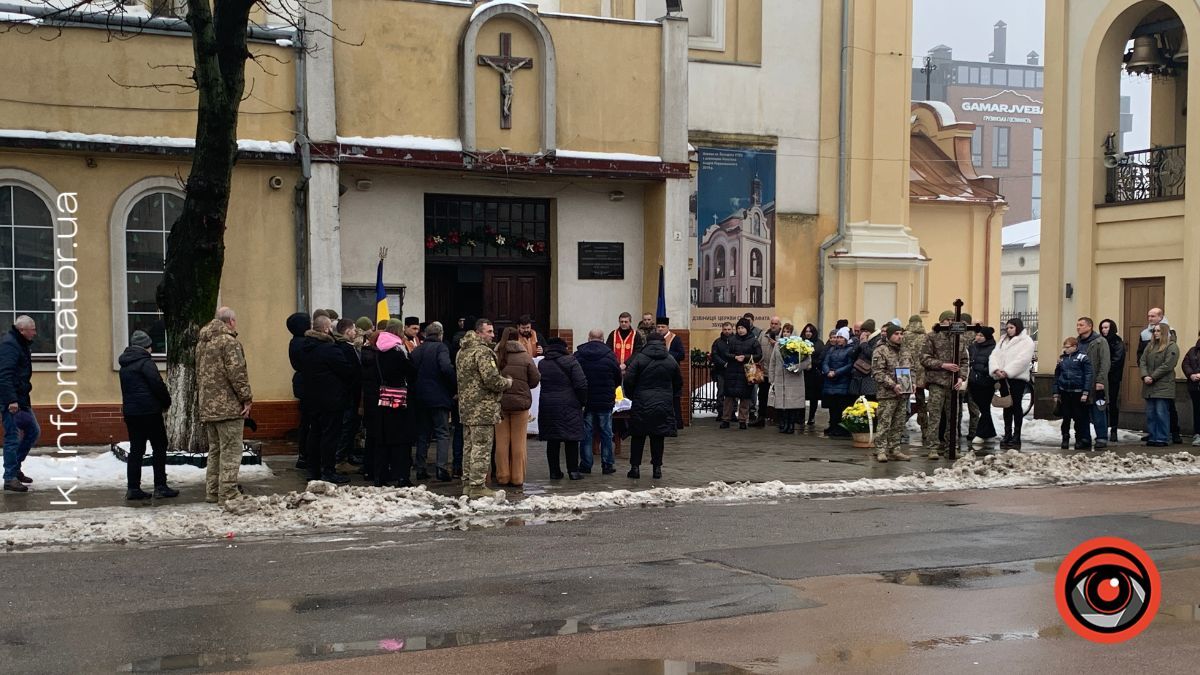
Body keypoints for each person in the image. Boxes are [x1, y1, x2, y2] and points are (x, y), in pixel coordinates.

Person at [196, 307, 252, 505]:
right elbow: (237, 373)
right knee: (230, 451)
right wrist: (246, 398)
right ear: (231, 322)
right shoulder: (229, 342)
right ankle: (228, 493)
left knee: (215, 451)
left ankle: (212, 491)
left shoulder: (203, 343)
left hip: (208, 406)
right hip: (228, 407)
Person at [118, 330, 177, 500]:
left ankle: (133, 487)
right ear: (146, 346)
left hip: (131, 412)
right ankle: (160, 485)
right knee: (159, 446)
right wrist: (166, 402)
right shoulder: (145, 363)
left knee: (136, 449)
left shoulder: (125, 364)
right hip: (150, 412)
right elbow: (157, 384)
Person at [457, 319, 512, 498]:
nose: (493, 335)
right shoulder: (482, 353)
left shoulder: (462, 351)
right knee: (481, 447)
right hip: (483, 409)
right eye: (489, 332)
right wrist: (507, 382)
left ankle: (467, 483)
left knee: (469, 447)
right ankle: (477, 486)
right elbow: (492, 380)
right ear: (479, 332)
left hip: (466, 407)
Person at [299, 314, 356, 484]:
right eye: (330, 327)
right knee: (330, 436)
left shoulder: (304, 348)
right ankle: (328, 471)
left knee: (314, 434)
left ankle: (313, 470)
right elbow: (347, 371)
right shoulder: (330, 349)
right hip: (331, 400)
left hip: (311, 400)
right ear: (325, 329)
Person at [623, 332, 681, 479]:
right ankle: (657, 469)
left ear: (647, 343)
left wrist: (633, 396)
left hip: (641, 402)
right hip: (663, 403)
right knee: (658, 437)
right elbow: (678, 382)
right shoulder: (670, 359)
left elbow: (629, 380)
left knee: (638, 437)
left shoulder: (639, 358)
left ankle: (635, 468)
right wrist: (668, 395)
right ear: (663, 343)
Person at [372, 320, 417, 487]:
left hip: (383, 397)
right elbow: (411, 371)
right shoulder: (399, 350)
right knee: (401, 438)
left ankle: (380, 475)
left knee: (383, 438)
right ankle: (402, 476)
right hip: (400, 398)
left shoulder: (378, 350)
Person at [538, 337, 589, 482]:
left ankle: (554, 472)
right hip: (569, 403)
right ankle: (573, 471)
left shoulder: (542, 364)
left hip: (548, 404)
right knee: (571, 438)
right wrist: (582, 401)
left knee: (552, 439)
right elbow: (581, 384)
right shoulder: (571, 361)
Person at [411, 321, 456, 482]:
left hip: (420, 397)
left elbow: (411, 371)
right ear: (441, 334)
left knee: (423, 434)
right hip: (439, 397)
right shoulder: (441, 348)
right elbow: (445, 367)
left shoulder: (417, 350)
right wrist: (453, 385)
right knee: (442, 432)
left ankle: (421, 468)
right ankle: (441, 468)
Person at [920, 310, 968, 459]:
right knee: (935, 416)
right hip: (937, 382)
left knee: (953, 417)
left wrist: (961, 377)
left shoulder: (959, 338)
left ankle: (951, 447)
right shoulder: (932, 336)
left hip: (954, 384)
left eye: (952, 319)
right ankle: (933, 448)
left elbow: (965, 360)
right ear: (941, 321)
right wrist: (943, 365)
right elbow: (924, 358)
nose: (950, 322)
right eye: (947, 319)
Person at [495, 326, 539, 487]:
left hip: (500, 403)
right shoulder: (525, 357)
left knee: (501, 442)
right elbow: (535, 380)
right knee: (519, 442)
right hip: (521, 404)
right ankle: (517, 477)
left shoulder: (496, 355)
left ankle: (502, 476)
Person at [576, 329, 622, 475]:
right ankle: (607, 464)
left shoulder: (579, 354)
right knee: (606, 432)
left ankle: (586, 464)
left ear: (589, 338)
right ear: (602, 339)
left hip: (586, 400)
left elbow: (575, 376)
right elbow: (617, 378)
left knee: (586, 433)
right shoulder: (610, 355)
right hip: (605, 400)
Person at [0, 317, 38, 493]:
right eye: (33, 329)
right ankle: (10, 477)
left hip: (21, 397)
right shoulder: (10, 345)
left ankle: (15, 468)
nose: (35, 333)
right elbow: (5, 374)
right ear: (23, 330)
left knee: (33, 430)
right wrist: (11, 400)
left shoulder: (20, 343)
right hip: (11, 400)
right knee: (12, 437)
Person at [989, 317, 1036, 451]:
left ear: (1018, 328)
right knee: (1006, 405)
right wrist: (996, 369)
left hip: (1016, 378)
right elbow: (994, 355)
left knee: (1016, 405)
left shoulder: (1026, 341)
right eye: (1007, 328)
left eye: (1011, 328)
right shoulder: (1003, 340)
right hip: (1002, 378)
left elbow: (1022, 360)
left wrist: (1008, 371)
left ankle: (1017, 435)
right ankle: (1007, 433)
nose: (1009, 330)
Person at [1138, 308, 1183, 443]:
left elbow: (1168, 365)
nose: (1155, 333)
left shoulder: (1171, 346)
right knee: (1151, 414)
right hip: (1149, 385)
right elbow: (1142, 360)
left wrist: (1153, 376)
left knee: (1161, 413)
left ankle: (1162, 437)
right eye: (1154, 331)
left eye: (1158, 331)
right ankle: (1153, 436)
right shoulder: (1150, 346)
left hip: (1163, 385)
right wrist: (1145, 375)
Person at [870, 323, 912, 462]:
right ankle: (880, 450)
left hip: (903, 392)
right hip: (887, 394)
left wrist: (914, 382)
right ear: (889, 335)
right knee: (884, 422)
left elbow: (912, 368)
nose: (899, 336)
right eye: (896, 334)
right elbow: (877, 372)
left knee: (899, 423)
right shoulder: (881, 350)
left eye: (901, 334)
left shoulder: (905, 350)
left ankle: (895, 449)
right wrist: (893, 385)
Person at [766, 323, 810, 434]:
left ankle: (791, 425)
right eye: (784, 331)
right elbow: (773, 362)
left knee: (792, 404)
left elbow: (807, 362)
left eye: (788, 332)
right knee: (782, 403)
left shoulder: (799, 345)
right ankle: (784, 423)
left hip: (794, 379)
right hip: (780, 379)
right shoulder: (777, 345)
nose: (786, 334)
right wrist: (772, 378)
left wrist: (796, 367)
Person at [718, 318, 762, 429]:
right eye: (738, 328)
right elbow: (726, 353)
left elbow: (759, 355)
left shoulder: (754, 341)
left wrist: (746, 357)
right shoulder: (732, 340)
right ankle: (725, 419)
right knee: (728, 397)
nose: (740, 330)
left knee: (745, 397)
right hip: (732, 371)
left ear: (747, 329)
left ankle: (743, 420)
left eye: (742, 328)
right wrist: (735, 357)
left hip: (747, 372)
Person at [1074, 317, 1111, 450]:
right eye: (1077, 325)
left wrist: (1100, 381)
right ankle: (1084, 438)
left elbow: (1105, 362)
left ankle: (1101, 437)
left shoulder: (1100, 342)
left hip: (1095, 382)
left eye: (1081, 325)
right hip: (1080, 383)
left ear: (1089, 327)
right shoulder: (1076, 342)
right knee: (1082, 412)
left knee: (1098, 410)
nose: (1078, 327)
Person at [1053, 336, 1094, 450]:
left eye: (1067, 347)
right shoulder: (1062, 359)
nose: (1065, 349)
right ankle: (1065, 438)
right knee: (1065, 418)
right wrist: (1056, 392)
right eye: (1064, 347)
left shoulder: (1083, 358)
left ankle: (1079, 439)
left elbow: (1088, 375)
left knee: (1078, 418)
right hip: (1064, 391)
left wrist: (1085, 392)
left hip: (1078, 392)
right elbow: (1057, 376)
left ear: (1075, 347)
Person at [333, 319, 363, 466]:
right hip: (348, 394)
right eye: (353, 329)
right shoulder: (344, 348)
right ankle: (339, 458)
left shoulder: (347, 346)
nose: (355, 332)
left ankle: (348, 454)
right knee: (346, 427)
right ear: (347, 331)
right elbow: (351, 371)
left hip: (352, 394)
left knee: (351, 427)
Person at [286, 312, 311, 471]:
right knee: (308, 422)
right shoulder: (303, 343)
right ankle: (304, 455)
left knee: (305, 421)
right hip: (308, 385)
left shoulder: (295, 341)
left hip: (302, 384)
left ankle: (304, 454)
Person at [821, 327, 856, 437]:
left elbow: (849, 365)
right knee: (833, 406)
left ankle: (842, 428)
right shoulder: (832, 349)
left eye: (841, 337)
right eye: (838, 337)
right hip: (830, 381)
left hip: (842, 382)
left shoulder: (850, 350)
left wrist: (836, 372)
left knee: (841, 407)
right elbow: (825, 362)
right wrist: (827, 371)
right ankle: (833, 425)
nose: (838, 339)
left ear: (846, 339)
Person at [966, 325, 997, 445]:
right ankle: (990, 432)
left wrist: (984, 371)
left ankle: (980, 434)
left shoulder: (993, 348)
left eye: (981, 335)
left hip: (986, 382)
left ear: (987, 337)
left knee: (984, 408)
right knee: (983, 408)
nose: (978, 337)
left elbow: (993, 364)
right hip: (974, 381)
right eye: (977, 335)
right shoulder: (973, 347)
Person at [655, 316, 687, 429]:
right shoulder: (654, 339)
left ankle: (678, 423)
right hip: (658, 374)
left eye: (662, 327)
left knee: (675, 399)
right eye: (658, 327)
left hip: (672, 374)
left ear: (667, 327)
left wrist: (667, 354)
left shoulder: (675, 339)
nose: (660, 329)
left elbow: (681, 355)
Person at [900, 314, 928, 434]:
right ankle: (925, 430)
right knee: (921, 404)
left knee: (902, 402)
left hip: (905, 372)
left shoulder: (903, 336)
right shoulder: (925, 337)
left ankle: (899, 430)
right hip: (922, 373)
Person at [1099, 319, 1126, 442]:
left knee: (1113, 403)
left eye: (1106, 327)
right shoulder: (1099, 341)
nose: (1104, 330)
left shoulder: (1117, 342)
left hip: (1112, 377)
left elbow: (1117, 360)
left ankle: (1114, 429)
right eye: (1102, 328)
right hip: (1100, 378)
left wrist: (1105, 369)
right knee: (1100, 403)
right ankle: (1102, 429)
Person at [757, 316, 784, 428]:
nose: (773, 325)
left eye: (776, 323)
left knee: (777, 396)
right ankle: (761, 418)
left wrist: (776, 344)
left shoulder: (783, 337)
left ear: (779, 325)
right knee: (762, 395)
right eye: (772, 323)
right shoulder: (763, 335)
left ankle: (778, 419)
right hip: (764, 371)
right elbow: (757, 349)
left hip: (777, 373)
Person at [800, 323, 824, 428]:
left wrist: (812, 363)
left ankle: (811, 417)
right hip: (802, 373)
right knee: (801, 396)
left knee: (813, 397)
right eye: (806, 331)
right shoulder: (800, 342)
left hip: (814, 373)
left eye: (810, 331)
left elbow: (821, 357)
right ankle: (800, 417)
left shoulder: (819, 343)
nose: (808, 333)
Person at [850, 319, 880, 403]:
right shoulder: (859, 339)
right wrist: (859, 344)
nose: (863, 333)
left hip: (869, 379)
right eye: (862, 331)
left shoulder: (878, 340)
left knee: (869, 404)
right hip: (857, 377)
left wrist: (864, 344)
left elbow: (872, 355)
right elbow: (851, 354)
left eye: (866, 331)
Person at [711, 322, 735, 422]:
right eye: (725, 329)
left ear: (732, 329)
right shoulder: (717, 342)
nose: (727, 331)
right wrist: (724, 364)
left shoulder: (736, 341)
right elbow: (715, 355)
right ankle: (721, 412)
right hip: (721, 371)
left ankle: (732, 413)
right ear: (722, 329)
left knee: (733, 393)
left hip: (733, 371)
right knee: (721, 392)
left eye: (729, 329)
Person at [1182, 331, 1200, 446]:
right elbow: (1185, 363)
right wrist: (1191, 374)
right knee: (1197, 410)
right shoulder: (1193, 350)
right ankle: (1197, 434)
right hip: (1195, 386)